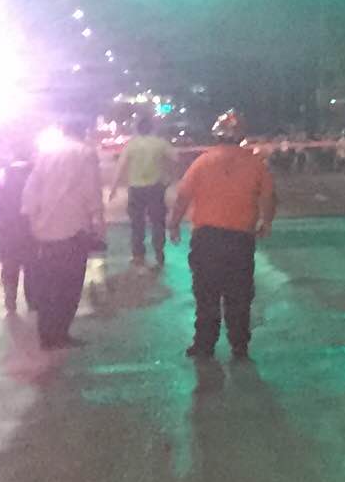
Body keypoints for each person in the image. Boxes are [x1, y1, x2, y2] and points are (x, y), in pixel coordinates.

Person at [168, 112, 275, 362]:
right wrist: (266, 222)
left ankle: (204, 345)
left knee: (207, 293)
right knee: (239, 294)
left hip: (206, 239)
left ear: (216, 134)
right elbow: (268, 197)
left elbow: (183, 196)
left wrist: (173, 224)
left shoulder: (203, 162)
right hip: (240, 240)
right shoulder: (256, 164)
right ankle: (239, 346)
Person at [16, 125, 105, 350]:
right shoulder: (85, 153)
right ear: (83, 132)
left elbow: (31, 189)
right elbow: (91, 191)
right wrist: (98, 224)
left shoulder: (47, 153)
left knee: (47, 285)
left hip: (44, 231)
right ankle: (61, 333)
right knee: (70, 286)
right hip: (74, 229)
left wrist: (32, 220)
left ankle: (46, 335)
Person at [0, 135, 33, 316]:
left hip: (8, 227)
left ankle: (10, 300)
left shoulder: (2, 173)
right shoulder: (37, 171)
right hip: (31, 226)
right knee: (32, 264)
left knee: (10, 264)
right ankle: (32, 300)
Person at [117, 115, 174, 266]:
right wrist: (168, 177)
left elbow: (121, 165)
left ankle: (138, 255)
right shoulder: (160, 144)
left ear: (137, 129)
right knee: (157, 222)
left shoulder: (132, 145)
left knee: (137, 223)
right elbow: (175, 159)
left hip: (136, 189)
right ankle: (159, 252)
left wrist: (114, 187)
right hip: (156, 188)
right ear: (152, 128)